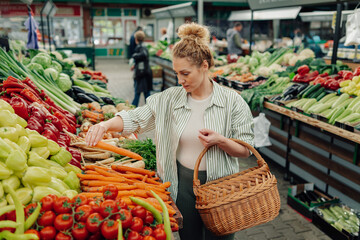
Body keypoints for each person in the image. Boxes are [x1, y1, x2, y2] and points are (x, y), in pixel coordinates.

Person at [85, 22, 254, 240]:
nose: (180, 80)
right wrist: (105, 125)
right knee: (188, 236)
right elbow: (135, 118)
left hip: (221, 186)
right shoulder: (169, 99)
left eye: (185, 73)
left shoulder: (233, 101)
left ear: (204, 66)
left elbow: (246, 150)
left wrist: (221, 141)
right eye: (176, 73)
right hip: (181, 185)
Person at [130, 30, 153, 107]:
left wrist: (134, 55)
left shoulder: (140, 46)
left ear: (136, 39)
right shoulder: (144, 45)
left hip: (141, 73)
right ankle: (150, 108)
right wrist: (135, 65)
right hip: (145, 72)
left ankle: (133, 107)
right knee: (146, 93)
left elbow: (144, 54)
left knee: (138, 92)